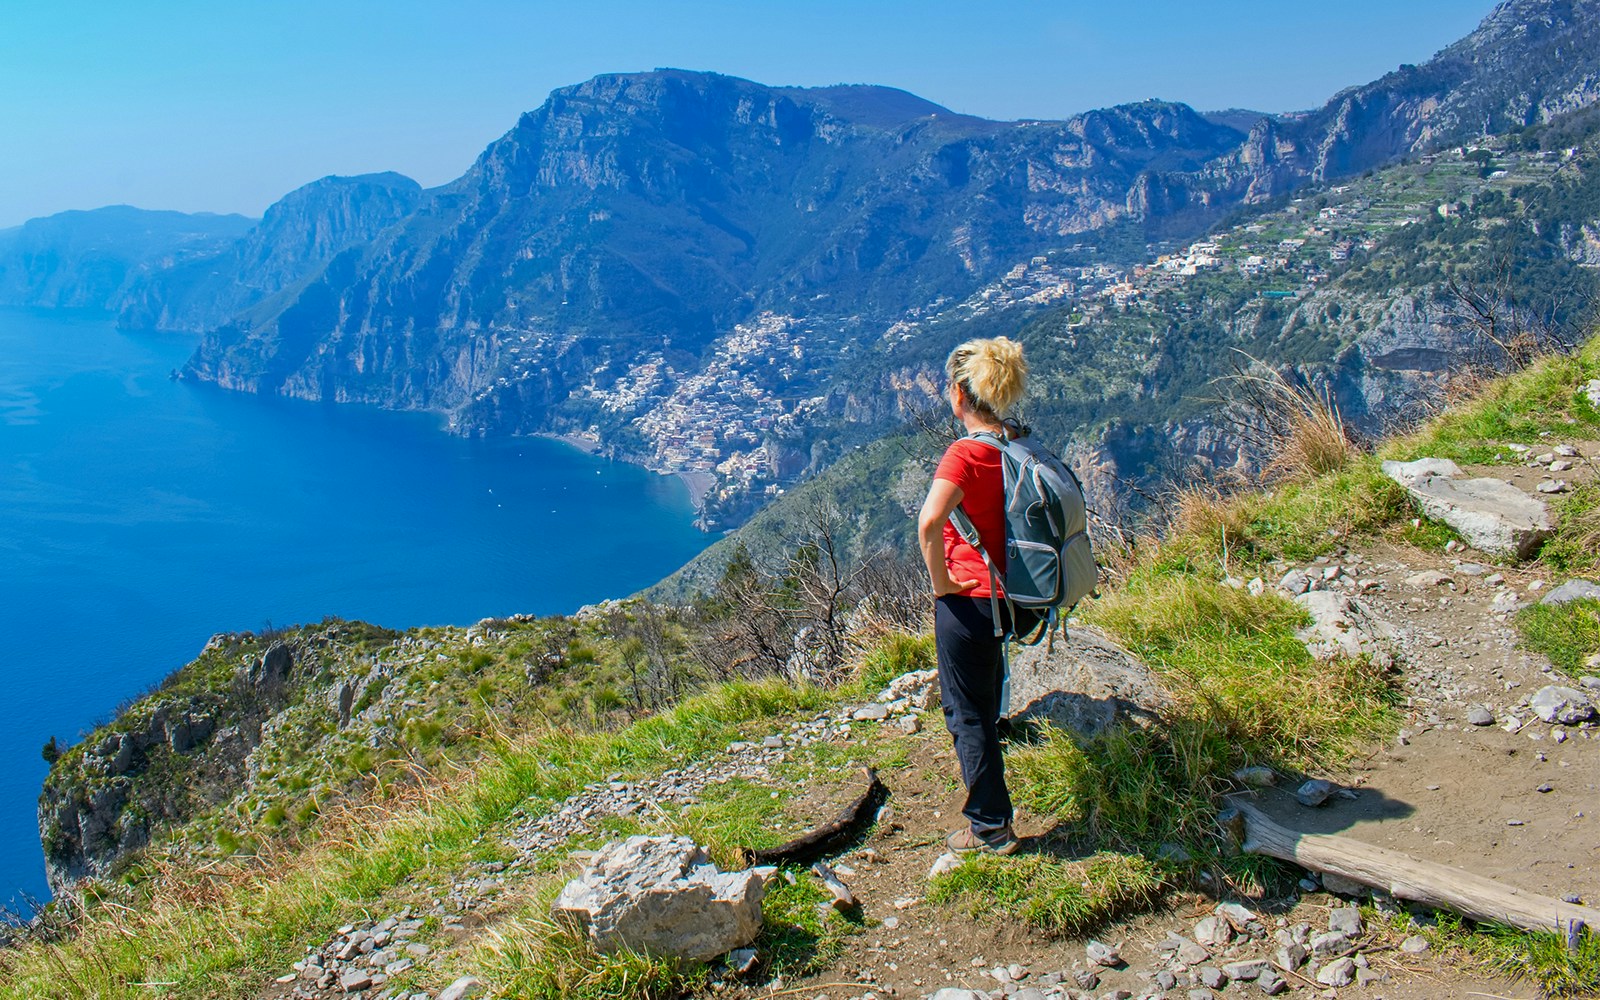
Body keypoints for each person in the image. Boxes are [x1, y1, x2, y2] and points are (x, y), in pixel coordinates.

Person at [916, 336, 1028, 855]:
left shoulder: (965, 452)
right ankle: (993, 810)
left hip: (969, 600)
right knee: (987, 700)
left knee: (966, 713)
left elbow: (930, 521)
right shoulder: (1014, 442)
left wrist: (941, 584)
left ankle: (990, 826)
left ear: (961, 393)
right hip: (1013, 596)